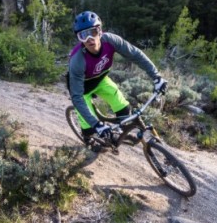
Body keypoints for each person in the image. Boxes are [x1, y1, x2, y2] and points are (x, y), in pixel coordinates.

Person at [67, 10, 167, 144]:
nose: (89, 38)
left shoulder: (110, 41)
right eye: (83, 35)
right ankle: (87, 139)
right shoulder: (78, 61)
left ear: (100, 31)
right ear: (79, 38)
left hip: (100, 80)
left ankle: (118, 133)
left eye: (93, 32)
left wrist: (156, 77)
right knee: (90, 129)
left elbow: (135, 54)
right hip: (82, 90)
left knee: (124, 109)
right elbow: (77, 97)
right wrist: (97, 125)